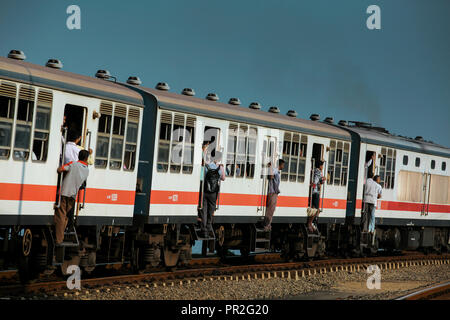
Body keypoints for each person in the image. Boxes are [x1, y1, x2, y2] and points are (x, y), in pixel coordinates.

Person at [54, 150, 90, 245]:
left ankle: (59, 239)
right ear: (86, 158)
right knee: (65, 216)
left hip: (64, 193)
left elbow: (60, 169)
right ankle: (60, 236)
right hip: (73, 195)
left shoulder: (73, 164)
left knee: (61, 215)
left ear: (78, 156)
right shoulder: (87, 170)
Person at [201, 151, 225, 237]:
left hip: (205, 191)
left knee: (204, 210)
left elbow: (202, 177)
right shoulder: (218, 168)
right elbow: (223, 178)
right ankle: (208, 227)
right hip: (213, 193)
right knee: (210, 211)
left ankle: (203, 230)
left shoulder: (206, 166)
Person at [263, 159, 285, 231]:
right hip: (272, 192)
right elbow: (271, 176)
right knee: (270, 210)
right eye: (283, 165)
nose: (283, 166)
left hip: (274, 193)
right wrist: (270, 167)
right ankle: (266, 225)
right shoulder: (275, 170)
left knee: (272, 210)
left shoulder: (277, 171)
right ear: (280, 165)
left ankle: (268, 224)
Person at [308, 160, 325, 233]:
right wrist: (314, 185)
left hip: (313, 192)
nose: (322, 167)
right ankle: (311, 223)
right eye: (322, 165)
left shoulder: (314, 170)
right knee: (316, 209)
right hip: (316, 192)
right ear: (320, 166)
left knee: (313, 208)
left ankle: (311, 223)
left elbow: (319, 181)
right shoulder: (318, 172)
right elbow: (316, 181)